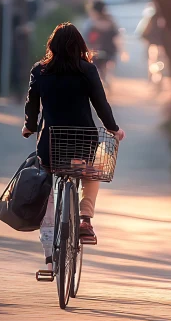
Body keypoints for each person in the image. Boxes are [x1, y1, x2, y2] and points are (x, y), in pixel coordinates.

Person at [22, 22, 125, 275]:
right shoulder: (87, 70)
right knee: (91, 172)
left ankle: (49, 254)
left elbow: (32, 102)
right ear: (80, 45)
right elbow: (101, 103)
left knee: (47, 185)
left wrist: (29, 126)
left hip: (50, 143)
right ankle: (85, 219)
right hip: (83, 140)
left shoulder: (40, 70)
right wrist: (113, 129)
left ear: (52, 47)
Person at [84, 0, 119, 84]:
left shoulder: (91, 24)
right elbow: (116, 37)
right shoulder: (110, 22)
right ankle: (106, 81)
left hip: (95, 51)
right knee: (104, 67)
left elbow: (86, 38)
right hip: (110, 50)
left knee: (96, 67)